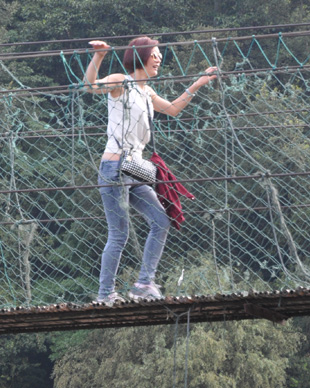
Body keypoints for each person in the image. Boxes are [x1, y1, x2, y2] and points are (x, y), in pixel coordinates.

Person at [84, 37, 218, 304]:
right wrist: (99, 56)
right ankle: (105, 294)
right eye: (154, 54)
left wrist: (198, 83)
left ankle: (144, 283)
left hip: (134, 166)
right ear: (141, 56)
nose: (158, 59)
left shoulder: (146, 93)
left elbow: (174, 109)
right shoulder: (121, 81)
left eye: (159, 55)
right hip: (114, 166)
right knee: (119, 234)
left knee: (161, 221)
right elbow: (89, 87)